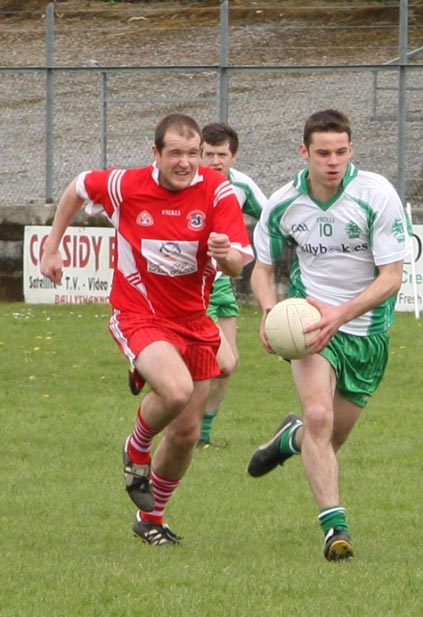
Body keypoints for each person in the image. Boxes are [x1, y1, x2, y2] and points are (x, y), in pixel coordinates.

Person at [40, 113, 254, 546]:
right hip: (138, 312)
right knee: (174, 390)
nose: (185, 162)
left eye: (192, 153)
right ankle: (135, 448)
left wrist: (223, 252)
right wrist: (52, 244)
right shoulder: (125, 186)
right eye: (175, 152)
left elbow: (237, 262)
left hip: (193, 319)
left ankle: (151, 518)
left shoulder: (218, 192)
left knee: (187, 432)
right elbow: (78, 187)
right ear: (155, 154)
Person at [247, 109, 408, 561]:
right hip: (311, 321)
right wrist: (268, 310)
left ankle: (288, 440)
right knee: (319, 416)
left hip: (367, 330)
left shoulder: (376, 195)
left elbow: (391, 276)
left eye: (340, 152)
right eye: (322, 153)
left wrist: (344, 313)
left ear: (351, 150)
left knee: (328, 439)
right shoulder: (284, 202)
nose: (332, 161)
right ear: (305, 153)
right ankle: (335, 531)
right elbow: (261, 266)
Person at [197, 121, 267, 447]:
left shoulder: (241, 187)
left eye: (221, 154)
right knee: (211, 362)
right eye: (208, 154)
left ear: (233, 156)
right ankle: (187, 428)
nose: (215, 161)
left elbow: (272, 219)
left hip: (223, 283)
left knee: (228, 366)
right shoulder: (186, 183)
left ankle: (203, 433)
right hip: (192, 285)